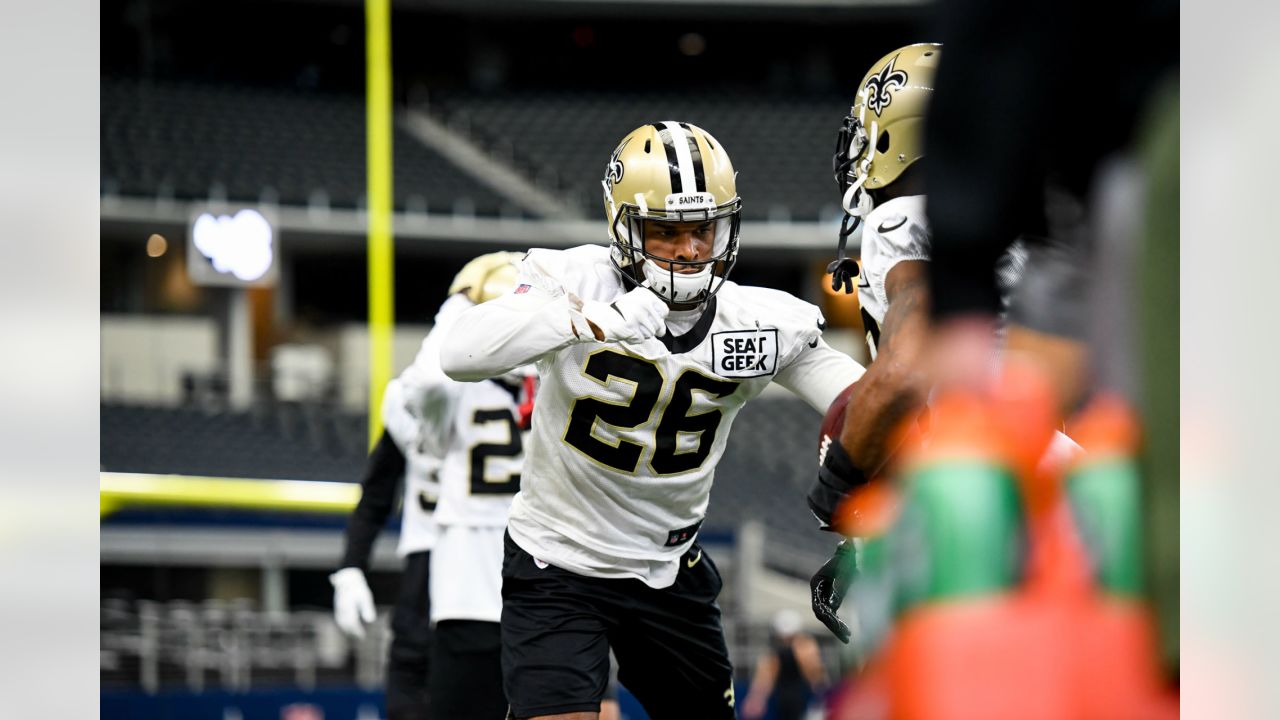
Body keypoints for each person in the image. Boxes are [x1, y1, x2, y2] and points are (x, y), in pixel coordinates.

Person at [440, 121, 865, 720]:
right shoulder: (574, 281)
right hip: (556, 559)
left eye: (703, 229)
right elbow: (459, 354)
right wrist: (591, 322)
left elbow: (866, 404)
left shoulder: (761, 320)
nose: (690, 250)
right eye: (667, 232)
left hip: (669, 569)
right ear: (623, 228)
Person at [807, 44, 1083, 644]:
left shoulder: (903, 218)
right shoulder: (1031, 214)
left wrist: (840, 484)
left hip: (1000, 499)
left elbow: (906, 371)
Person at [330, 380, 441, 720]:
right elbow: (376, 496)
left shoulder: (412, 392)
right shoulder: (418, 391)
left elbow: (375, 498)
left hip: (484, 575)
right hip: (435, 575)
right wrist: (351, 568)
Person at [741, 609, 829, 720]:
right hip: (786, 701)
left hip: (802, 699)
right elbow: (765, 677)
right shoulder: (777, 653)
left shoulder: (805, 647)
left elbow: (816, 676)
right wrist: (756, 698)